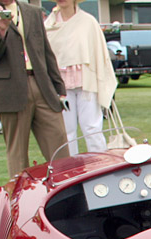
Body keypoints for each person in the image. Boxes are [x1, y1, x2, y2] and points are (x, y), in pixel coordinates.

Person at [0, 0, 69, 178]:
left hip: (42, 86)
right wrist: (1, 31)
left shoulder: (32, 11)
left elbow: (45, 51)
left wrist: (59, 86)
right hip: (9, 90)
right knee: (17, 155)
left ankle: (67, 195)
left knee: (60, 148)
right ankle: (20, 201)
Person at [45, 0, 117, 155]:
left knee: (92, 128)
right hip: (61, 85)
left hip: (86, 82)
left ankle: (100, 166)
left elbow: (99, 52)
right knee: (66, 131)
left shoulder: (88, 22)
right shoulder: (48, 24)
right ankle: (71, 171)